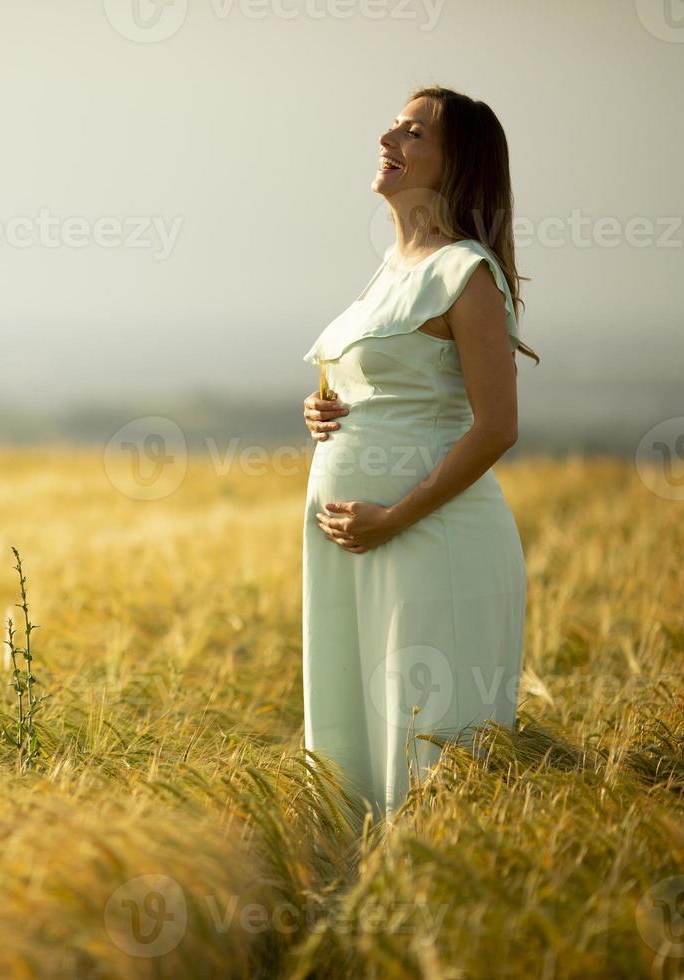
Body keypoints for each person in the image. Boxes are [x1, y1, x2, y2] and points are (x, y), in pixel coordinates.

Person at [299, 86, 541, 828]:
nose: (390, 136)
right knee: (353, 732)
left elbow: (497, 426)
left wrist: (393, 517)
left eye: (414, 132)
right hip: (356, 549)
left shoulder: (464, 271)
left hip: (428, 544)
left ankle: (433, 909)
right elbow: (385, 382)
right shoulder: (389, 268)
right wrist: (326, 407)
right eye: (395, 124)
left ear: (456, 163)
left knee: (427, 740)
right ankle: (358, 906)